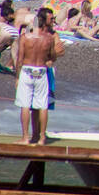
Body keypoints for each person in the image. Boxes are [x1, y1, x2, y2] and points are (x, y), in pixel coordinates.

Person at [15, 8, 61, 145]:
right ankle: (41, 138)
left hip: (27, 70)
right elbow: (53, 56)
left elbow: (20, 59)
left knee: (25, 105)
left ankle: (25, 137)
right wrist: (48, 59)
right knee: (42, 105)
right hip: (41, 70)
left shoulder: (25, 37)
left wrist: (17, 77)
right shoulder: (48, 38)